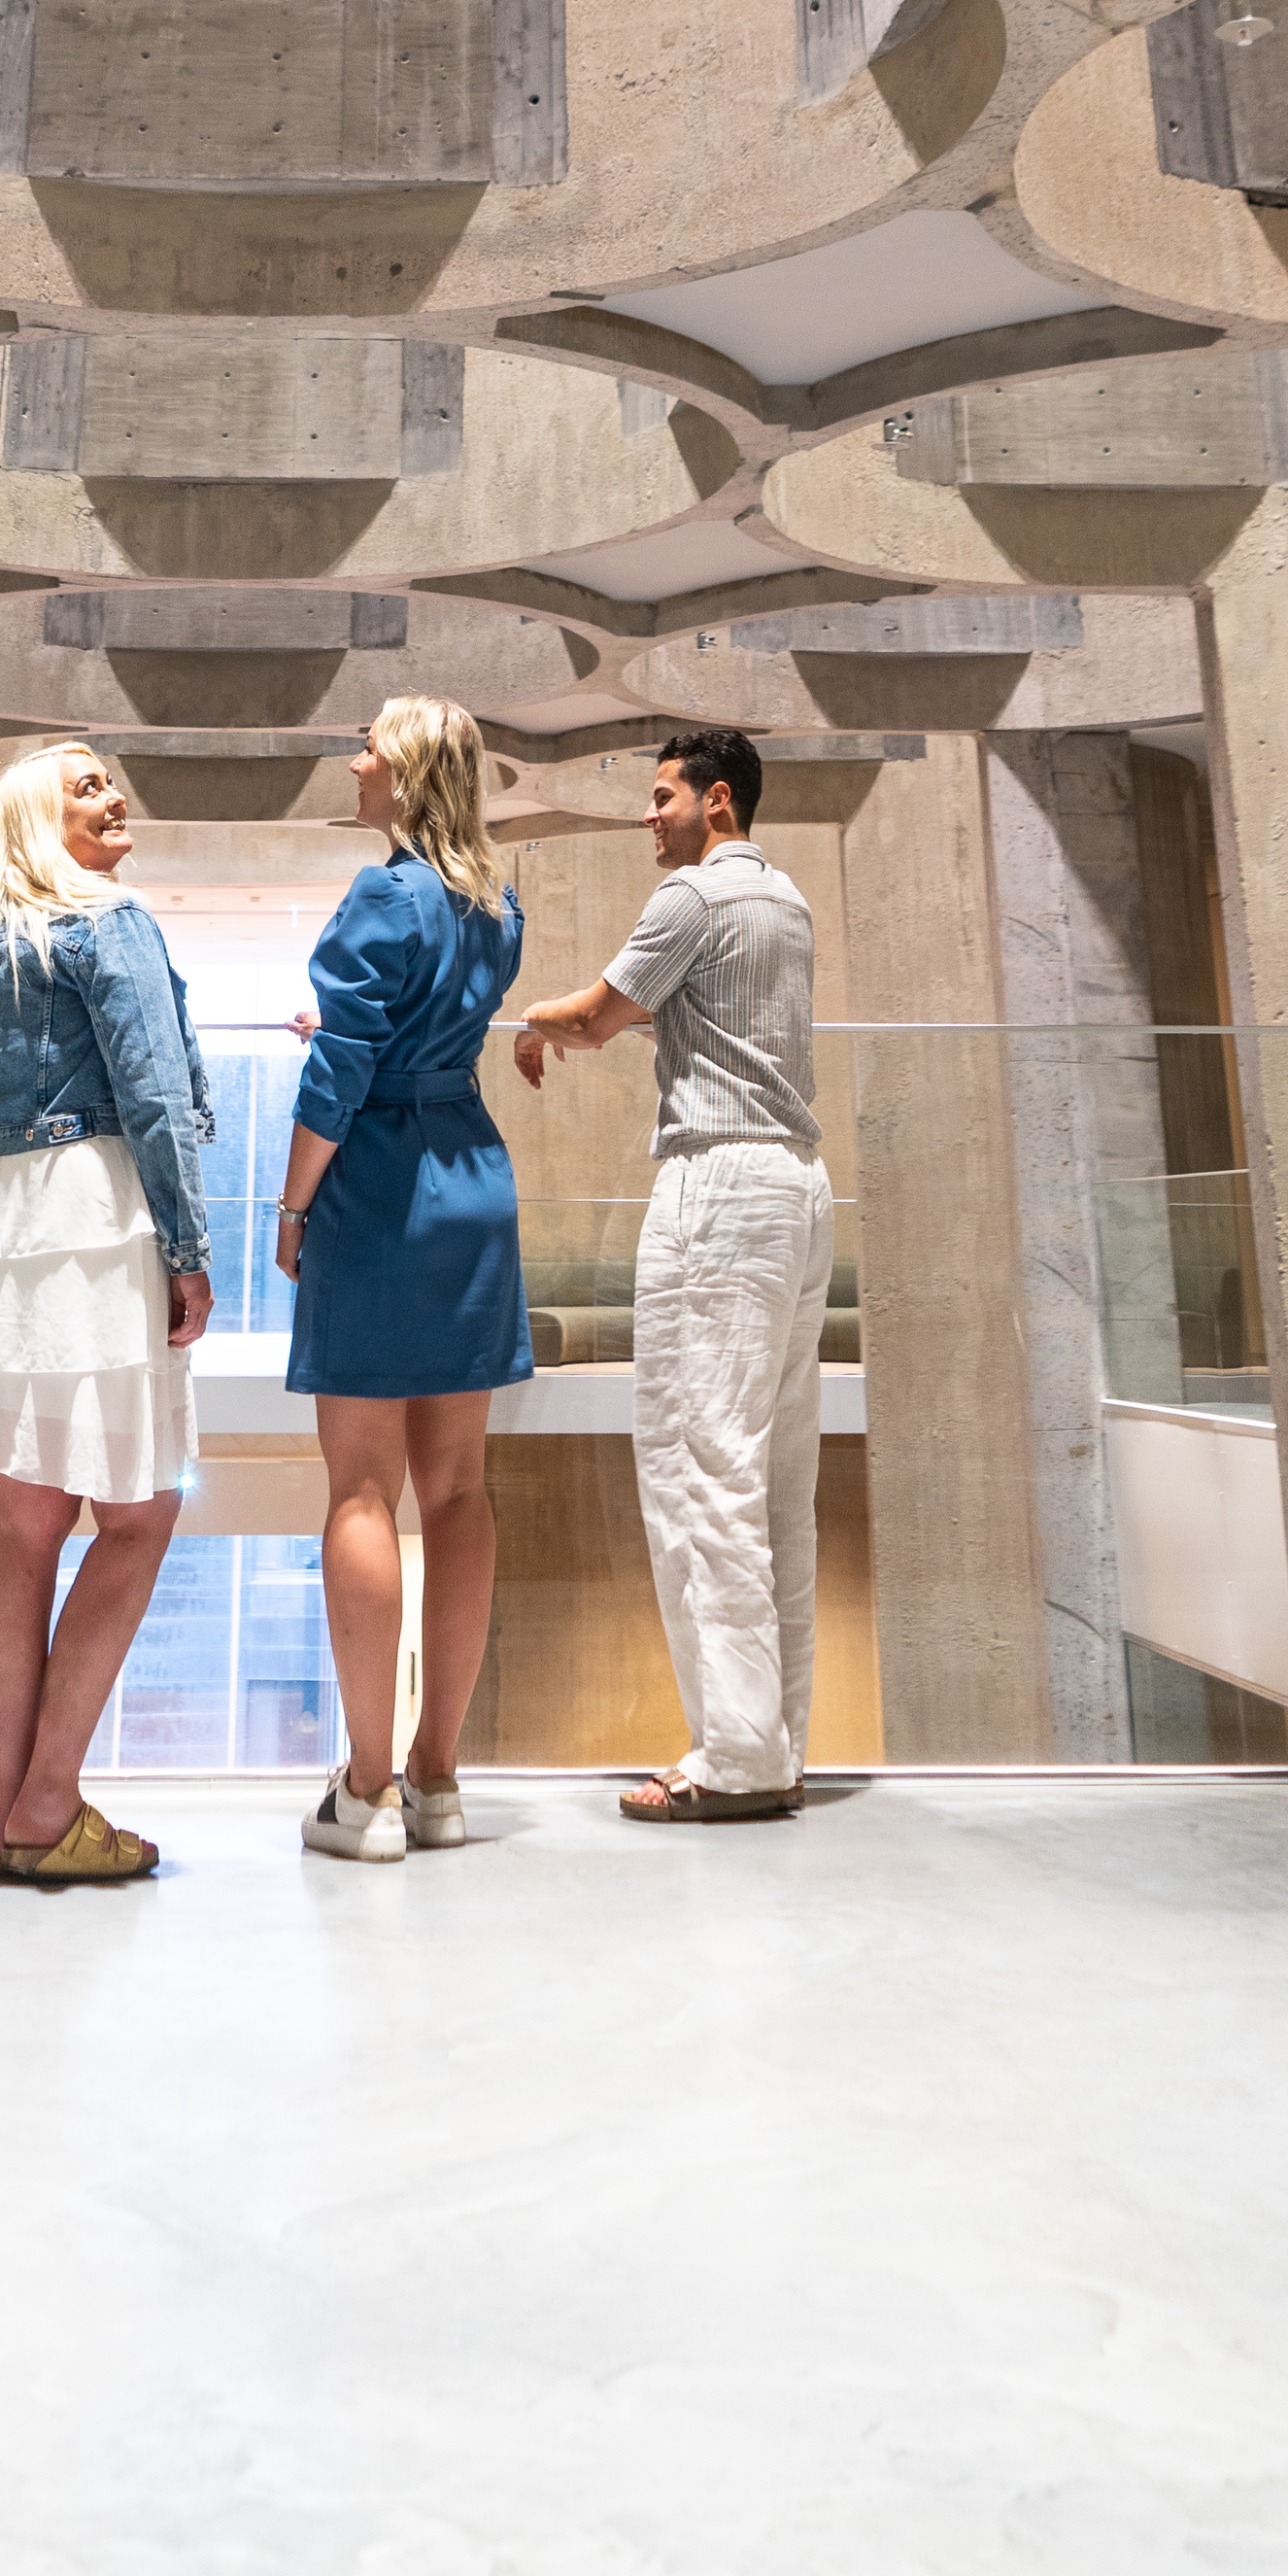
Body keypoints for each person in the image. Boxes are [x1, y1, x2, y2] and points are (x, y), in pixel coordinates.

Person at [515, 725, 829, 1824]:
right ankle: (772, 1739)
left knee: (706, 1466)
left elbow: (600, 1016)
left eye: (662, 797)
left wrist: (531, 1018)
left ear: (719, 802)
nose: (649, 815)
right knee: (777, 1474)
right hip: (798, 1186)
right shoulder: (787, 899)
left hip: (721, 1184)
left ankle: (738, 1754)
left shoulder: (691, 901)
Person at [0, 742, 216, 1889]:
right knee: (138, 1518)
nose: (114, 792)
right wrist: (190, 1247)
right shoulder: (109, 918)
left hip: (7, 1229)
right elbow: (151, 1089)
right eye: (85, 783)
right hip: (95, 1215)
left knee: (27, 1525)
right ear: (40, 819)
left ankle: (15, 1813)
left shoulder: (4, 939)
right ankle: (47, 1801)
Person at [272, 696, 532, 1866]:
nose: (357, 756)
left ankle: (365, 1789)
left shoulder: (382, 893)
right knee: (459, 1491)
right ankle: (439, 1776)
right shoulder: (496, 900)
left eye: (372, 742)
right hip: (473, 1179)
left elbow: (338, 1080)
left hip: (380, 1190)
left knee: (361, 1492)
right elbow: (419, 1029)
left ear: (411, 769)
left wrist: (289, 1207)